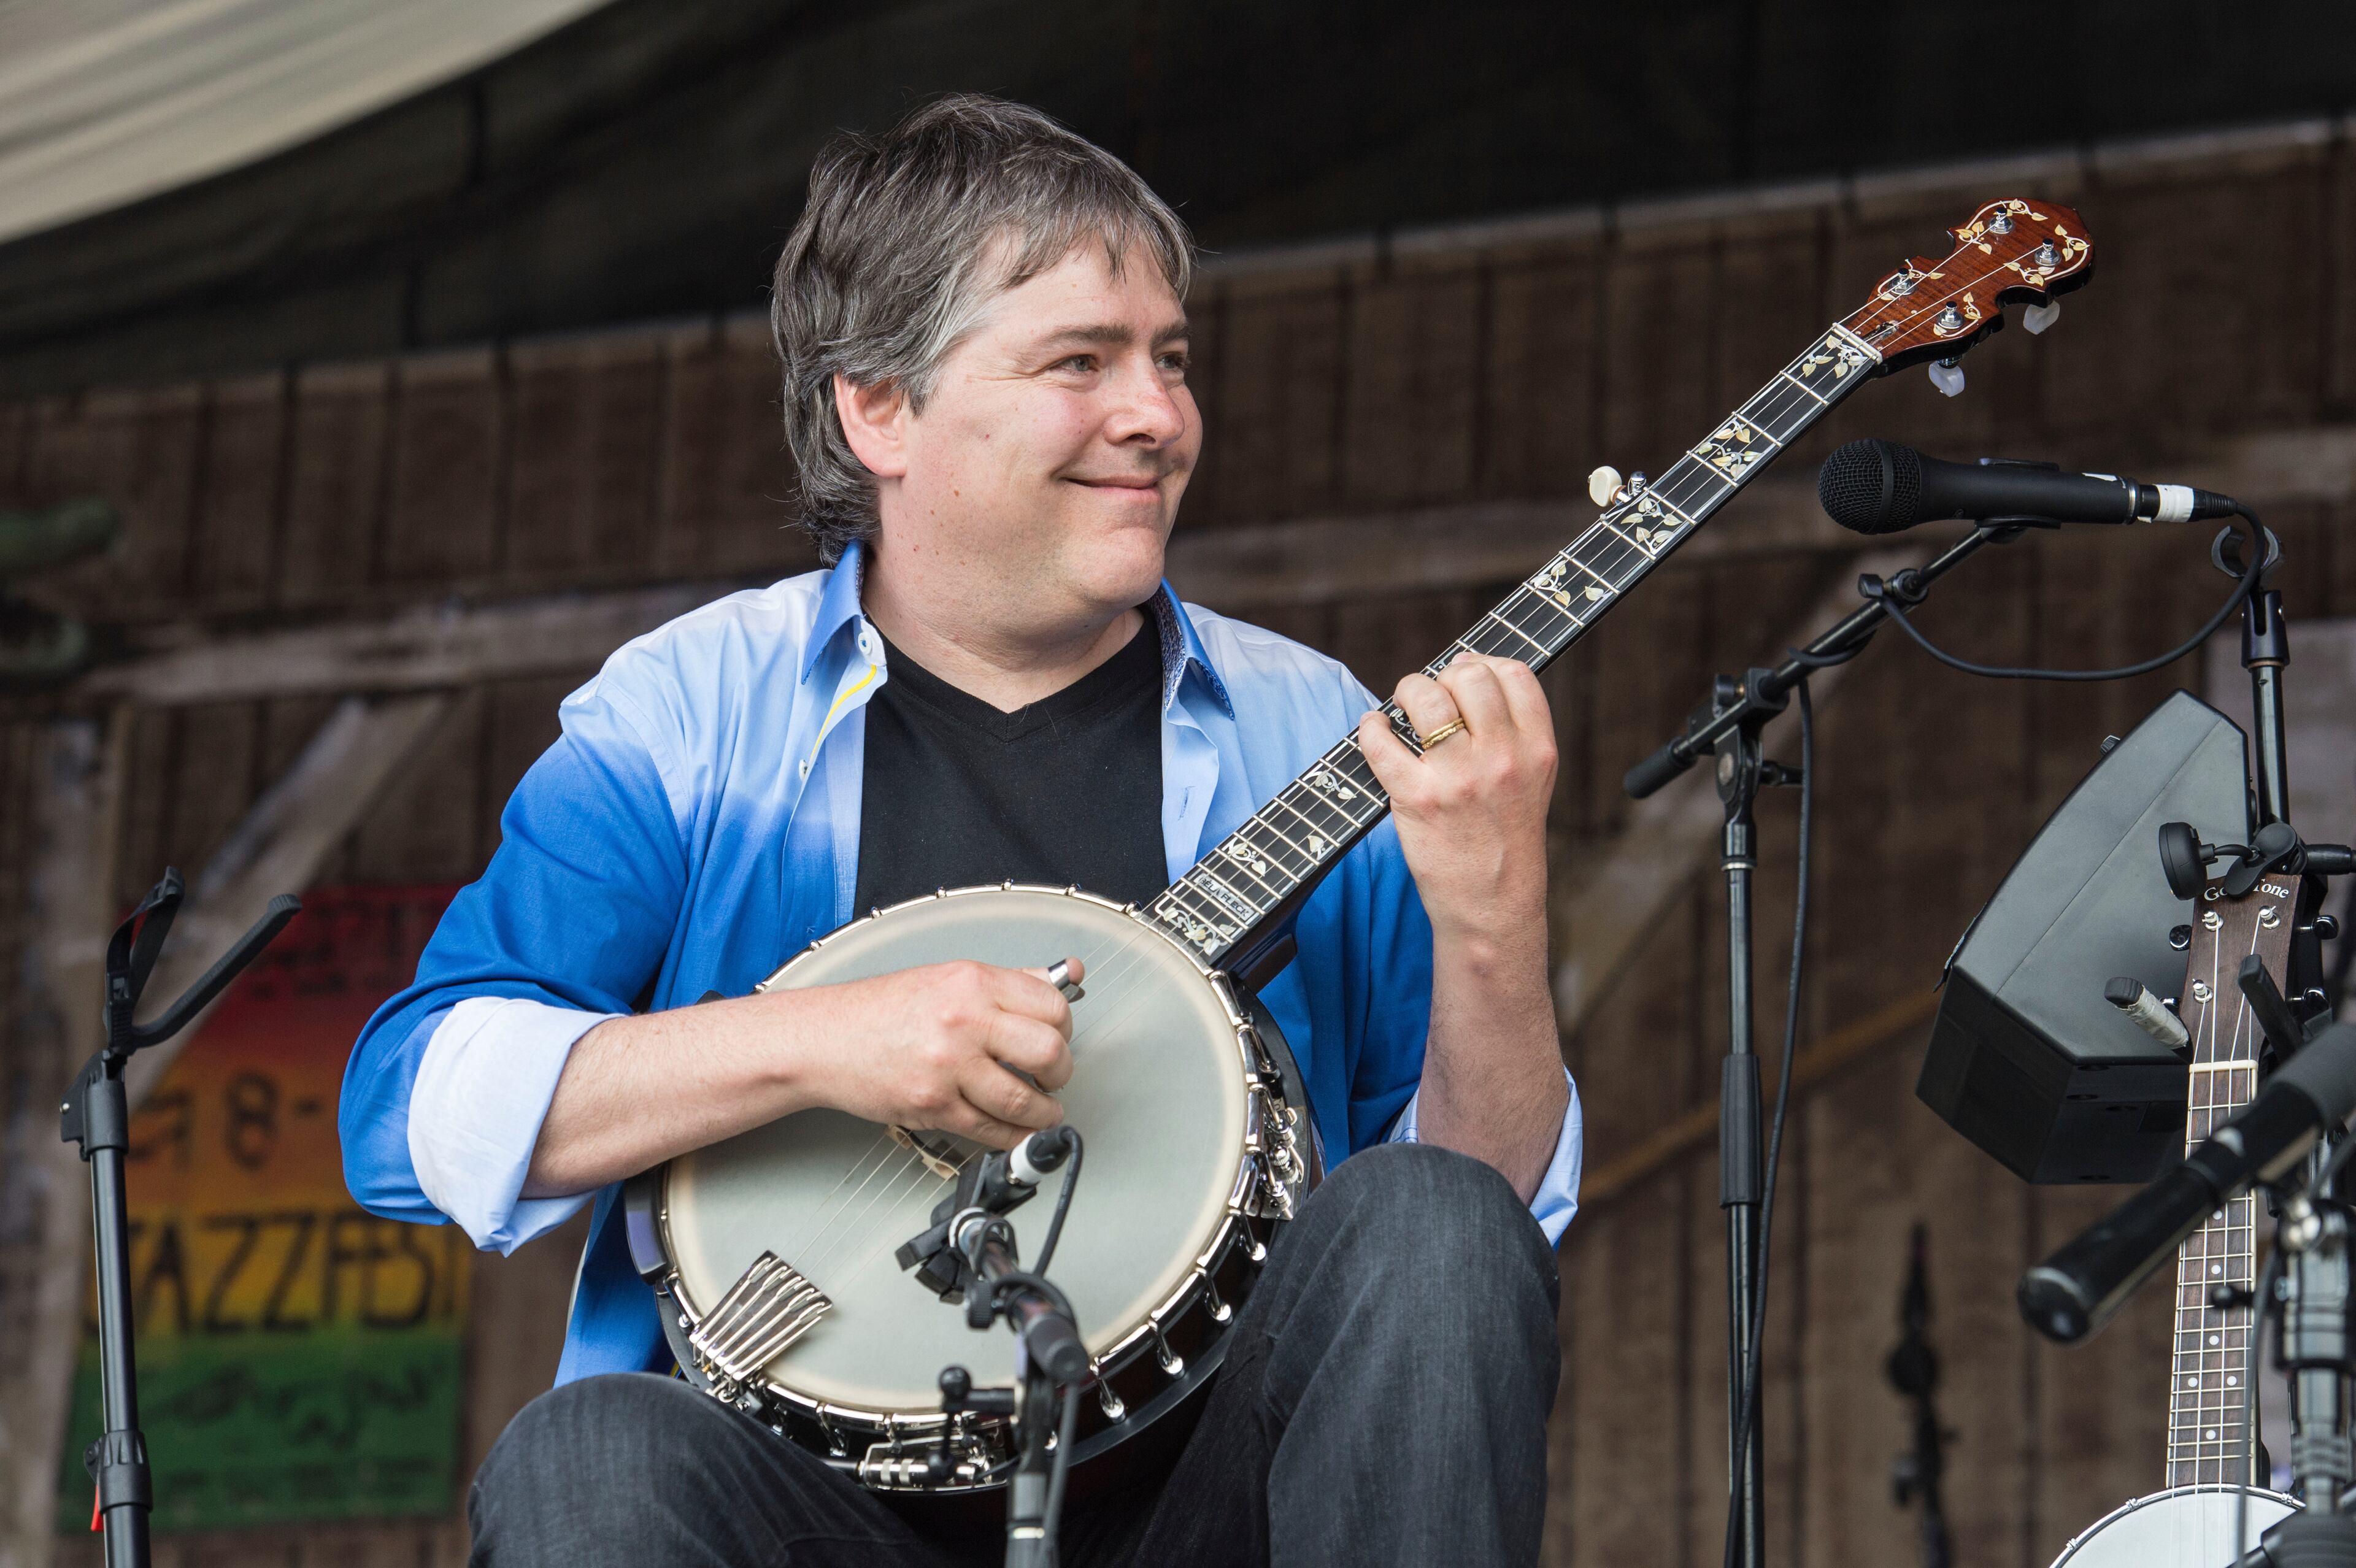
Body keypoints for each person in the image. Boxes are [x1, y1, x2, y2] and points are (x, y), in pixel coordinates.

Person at [341, 93, 1582, 1567]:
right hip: (801, 1516)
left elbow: (1468, 1248)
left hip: (1225, 1515)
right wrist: (822, 1045)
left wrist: (1498, 926)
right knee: (593, 1457)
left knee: (1432, 1227)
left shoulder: (1311, 730)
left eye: (1171, 362)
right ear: (880, 409)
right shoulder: (689, 720)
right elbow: (408, 1116)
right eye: (1082, 362)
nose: (1159, 415)